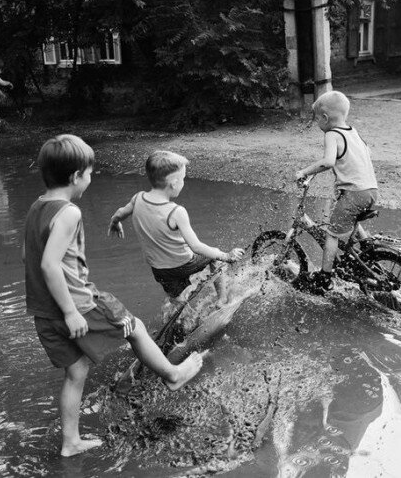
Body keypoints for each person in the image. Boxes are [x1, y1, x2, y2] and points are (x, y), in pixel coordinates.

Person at [23, 135, 205, 457]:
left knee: (76, 371)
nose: (90, 179)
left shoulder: (37, 208)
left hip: (42, 311)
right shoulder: (69, 213)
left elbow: (30, 258)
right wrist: (70, 311)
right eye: (90, 173)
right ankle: (172, 375)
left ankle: (70, 443)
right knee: (133, 327)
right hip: (78, 303)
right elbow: (50, 264)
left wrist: (56, 308)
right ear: (76, 176)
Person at [107, 150, 244, 315]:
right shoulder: (176, 212)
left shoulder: (138, 199)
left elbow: (120, 212)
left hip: (159, 270)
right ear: (173, 183)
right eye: (183, 179)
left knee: (178, 301)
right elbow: (196, 247)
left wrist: (115, 222)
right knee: (215, 258)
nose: (183, 183)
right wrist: (226, 256)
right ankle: (222, 300)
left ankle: (182, 322)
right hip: (183, 264)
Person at [294, 90, 378, 291]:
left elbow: (329, 161)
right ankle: (369, 252)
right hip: (371, 191)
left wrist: (304, 172)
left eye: (316, 120)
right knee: (352, 220)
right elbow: (365, 153)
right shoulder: (353, 131)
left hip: (354, 193)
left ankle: (324, 277)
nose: (317, 124)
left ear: (324, 118)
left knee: (332, 234)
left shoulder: (332, 134)